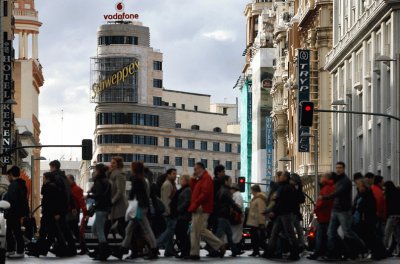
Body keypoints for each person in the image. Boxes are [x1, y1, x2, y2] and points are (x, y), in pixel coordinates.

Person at [322, 161, 366, 260]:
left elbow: (338, 192)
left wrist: (325, 197)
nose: (338, 169)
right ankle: (333, 253)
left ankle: (364, 248)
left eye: (340, 168)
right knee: (331, 233)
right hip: (335, 209)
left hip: (344, 211)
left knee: (348, 232)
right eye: (337, 167)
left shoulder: (345, 181)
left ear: (344, 169)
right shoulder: (337, 180)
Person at [188, 162, 225, 260]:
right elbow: (193, 189)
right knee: (196, 231)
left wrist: (196, 203)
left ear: (201, 168)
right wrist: (192, 178)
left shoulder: (206, 178)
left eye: (196, 169)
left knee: (199, 230)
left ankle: (219, 244)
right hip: (199, 207)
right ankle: (194, 253)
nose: (194, 171)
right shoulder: (201, 179)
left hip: (201, 208)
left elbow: (205, 193)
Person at [121, 162, 158, 260]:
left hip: (139, 208)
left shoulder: (137, 179)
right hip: (142, 206)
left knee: (146, 229)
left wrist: (129, 201)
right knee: (130, 228)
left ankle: (153, 249)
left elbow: (133, 193)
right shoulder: (143, 179)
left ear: (134, 169)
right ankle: (123, 248)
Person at [27, 172, 64, 257]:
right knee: (51, 233)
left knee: (43, 233)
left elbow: (49, 201)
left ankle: (37, 251)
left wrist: (56, 212)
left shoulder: (49, 187)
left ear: (47, 178)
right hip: (51, 214)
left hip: (48, 214)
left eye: (43, 178)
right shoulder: (54, 186)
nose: (42, 180)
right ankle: (43, 250)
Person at [264, 171, 300, 261]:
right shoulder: (286, 187)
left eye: (281, 176)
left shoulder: (284, 188)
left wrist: (268, 210)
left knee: (289, 234)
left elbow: (277, 201)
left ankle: (295, 253)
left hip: (285, 214)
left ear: (285, 177)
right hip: (282, 214)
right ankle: (269, 252)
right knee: (275, 234)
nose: (279, 178)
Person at [352, 178, 387, 260]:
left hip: (367, 220)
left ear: (364, 187)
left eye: (360, 186)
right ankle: (378, 252)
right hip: (362, 220)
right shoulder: (361, 195)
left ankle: (378, 252)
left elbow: (369, 208)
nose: (358, 188)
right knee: (369, 237)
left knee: (370, 237)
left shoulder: (368, 195)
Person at [49, 160, 77, 256]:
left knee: (58, 229)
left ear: (53, 167)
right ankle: (69, 248)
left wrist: (56, 211)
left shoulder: (56, 178)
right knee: (64, 229)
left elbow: (57, 195)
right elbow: (69, 194)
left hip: (59, 208)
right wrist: (72, 206)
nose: (50, 169)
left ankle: (63, 248)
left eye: (50, 167)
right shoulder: (64, 178)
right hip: (64, 208)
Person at [308, 172, 335, 260]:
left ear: (326, 178)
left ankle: (322, 252)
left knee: (322, 235)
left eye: (322, 177)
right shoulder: (327, 187)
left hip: (324, 215)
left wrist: (315, 210)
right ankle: (322, 252)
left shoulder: (327, 188)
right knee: (324, 235)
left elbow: (323, 202)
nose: (320, 178)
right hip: (324, 215)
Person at [88, 163, 112, 261]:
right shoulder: (106, 180)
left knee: (100, 231)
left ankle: (104, 251)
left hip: (101, 208)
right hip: (106, 208)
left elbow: (98, 195)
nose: (94, 172)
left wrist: (89, 196)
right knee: (94, 230)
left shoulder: (99, 181)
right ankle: (100, 250)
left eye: (95, 170)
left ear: (98, 171)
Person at [4, 166, 29, 259]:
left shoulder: (14, 185)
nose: (7, 178)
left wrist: (8, 210)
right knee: (13, 232)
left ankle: (18, 251)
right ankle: (13, 250)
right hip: (18, 213)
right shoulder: (22, 184)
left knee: (13, 232)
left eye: (8, 176)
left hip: (13, 213)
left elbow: (12, 200)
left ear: (11, 175)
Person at [215, 175, 242, 257]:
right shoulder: (226, 191)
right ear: (226, 181)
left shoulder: (221, 190)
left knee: (229, 234)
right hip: (223, 215)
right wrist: (239, 210)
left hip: (223, 215)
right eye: (230, 180)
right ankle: (211, 249)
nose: (231, 182)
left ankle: (234, 250)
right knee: (219, 235)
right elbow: (231, 203)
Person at [157, 168, 178, 257]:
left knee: (170, 231)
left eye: (175, 174)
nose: (175, 175)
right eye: (173, 173)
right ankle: (155, 246)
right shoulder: (167, 185)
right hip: (169, 212)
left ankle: (168, 250)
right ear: (168, 175)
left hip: (172, 212)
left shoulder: (172, 184)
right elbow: (166, 200)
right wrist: (168, 212)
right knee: (169, 231)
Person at [66, 174, 88, 255]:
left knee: (74, 231)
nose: (67, 181)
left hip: (73, 213)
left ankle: (83, 248)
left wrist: (85, 212)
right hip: (71, 212)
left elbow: (81, 202)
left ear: (72, 180)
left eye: (68, 180)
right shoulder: (71, 188)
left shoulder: (76, 189)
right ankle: (83, 248)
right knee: (75, 231)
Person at [108, 156, 128, 239]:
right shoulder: (112, 174)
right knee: (120, 228)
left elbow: (120, 191)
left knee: (121, 228)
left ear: (118, 164)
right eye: (111, 163)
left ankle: (131, 246)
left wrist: (112, 201)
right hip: (115, 206)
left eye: (114, 163)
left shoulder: (119, 175)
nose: (111, 164)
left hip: (119, 206)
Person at [246, 184, 267, 257]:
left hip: (257, 221)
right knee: (254, 237)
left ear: (255, 191)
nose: (251, 192)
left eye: (252, 191)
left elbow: (262, 210)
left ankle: (267, 250)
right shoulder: (255, 198)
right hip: (253, 221)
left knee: (259, 238)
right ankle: (256, 251)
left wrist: (261, 222)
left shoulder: (260, 199)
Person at [175, 174, 192, 259]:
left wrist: (178, 209)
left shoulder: (187, 190)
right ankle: (183, 251)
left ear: (186, 180)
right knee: (180, 233)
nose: (180, 181)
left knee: (182, 233)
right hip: (181, 215)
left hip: (184, 215)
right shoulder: (183, 190)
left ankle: (186, 252)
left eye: (182, 179)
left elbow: (186, 202)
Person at [383, 181, 400, 255]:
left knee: (387, 233)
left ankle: (383, 249)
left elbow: (387, 206)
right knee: (397, 234)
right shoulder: (397, 192)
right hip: (398, 216)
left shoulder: (389, 194)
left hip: (392, 216)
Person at [290, 173, 306, 251]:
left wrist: (299, 189)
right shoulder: (289, 188)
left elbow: (302, 199)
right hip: (291, 212)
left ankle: (301, 245)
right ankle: (295, 246)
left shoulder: (298, 189)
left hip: (295, 213)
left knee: (299, 231)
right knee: (292, 231)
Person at [230, 183, 244, 253]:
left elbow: (238, 206)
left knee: (236, 234)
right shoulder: (236, 195)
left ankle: (237, 249)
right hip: (236, 217)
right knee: (235, 233)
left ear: (233, 189)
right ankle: (236, 249)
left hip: (237, 217)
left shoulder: (237, 195)